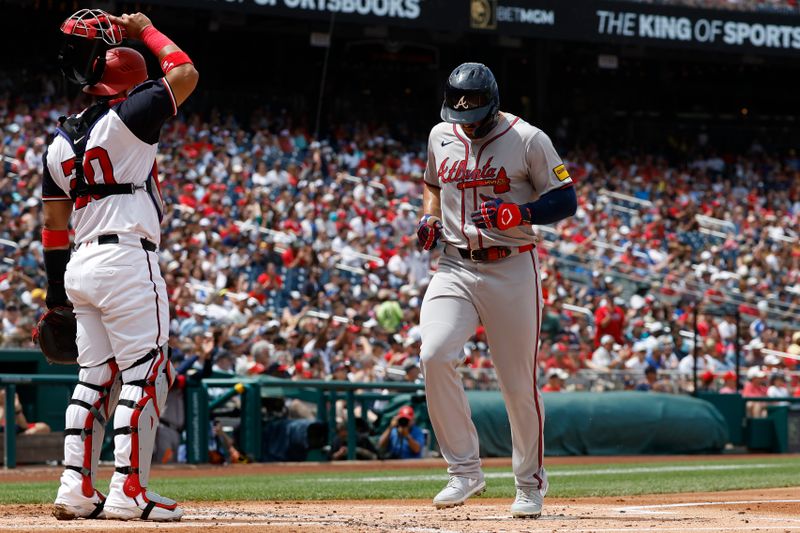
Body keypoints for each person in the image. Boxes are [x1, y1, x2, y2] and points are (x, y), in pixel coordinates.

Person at [43, 9, 197, 521]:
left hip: (79, 265)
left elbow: (52, 228)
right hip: (127, 258)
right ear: (133, 84)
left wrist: (54, 296)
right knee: (146, 373)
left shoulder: (58, 142)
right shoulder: (133, 112)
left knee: (93, 377)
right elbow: (184, 72)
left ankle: (74, 487)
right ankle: (130, 489)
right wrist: (147, 30)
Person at [416, 63, 577, 519]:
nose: (465, 121)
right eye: (458, 113)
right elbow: (432, 182)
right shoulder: (439, 134)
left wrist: (519, 213)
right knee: (434, 353)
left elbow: (566, 199)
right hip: (453, 264)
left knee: (516, 384)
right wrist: (429, 217)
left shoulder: (529, 139)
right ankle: (464, 470)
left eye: (475, 113)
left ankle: (529, 485)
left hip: (511, 268)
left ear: (493, 102)